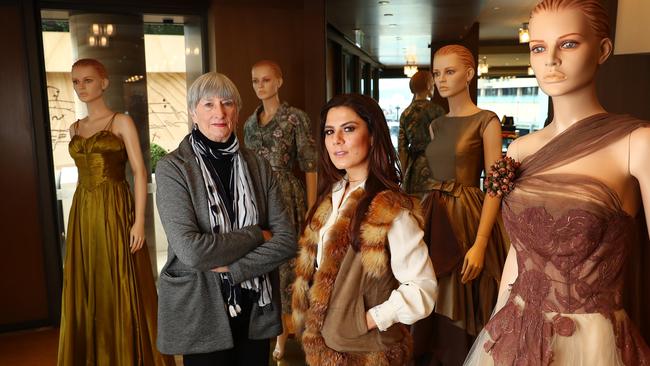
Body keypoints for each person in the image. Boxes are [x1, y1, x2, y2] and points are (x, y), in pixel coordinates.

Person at [464, 0, 650, 364]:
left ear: (603, 49)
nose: (550, 60)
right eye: (538, 48)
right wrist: (497, 323)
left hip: (591, 342)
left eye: (567, 44)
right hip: (515, 330)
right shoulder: (518, 149)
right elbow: (520, 255)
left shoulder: (636, 143)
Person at [155, 72, 296, 365]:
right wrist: (257, 234)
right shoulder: (173, 168)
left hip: (255, 306)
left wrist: (234, 269)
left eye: (227, 103)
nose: (219, 112)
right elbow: (192, 251)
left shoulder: (258, 165)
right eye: (208, 104)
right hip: (200, 307)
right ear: (193, 112)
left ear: (237, 110)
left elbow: (286, 241)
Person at [292, 93, 438, 365]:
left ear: (372, 135)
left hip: (368, 354)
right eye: (329, 131)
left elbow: (422, 290)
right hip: (324, 350)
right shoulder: (330, 197)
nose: (336, 140)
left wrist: (365, 320)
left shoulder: (389, 208)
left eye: (348, 129)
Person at [58, 58, 174, 366]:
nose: (81, 87)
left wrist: (139, 222)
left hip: (115, 208)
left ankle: (126, 353)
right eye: (75, 82)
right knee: (87, 281)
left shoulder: (121, 122)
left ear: (104, 83)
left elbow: (139, 171)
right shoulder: (74, 127)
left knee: (121, 279)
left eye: (88, 80)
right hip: (83, 210)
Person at [410, 45, 510, 366]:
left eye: (449, 72)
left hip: (469, 216)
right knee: (431, 297)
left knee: (463, 297)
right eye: (437, 73)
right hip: (434, 213)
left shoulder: (486, 121)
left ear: (469, 74)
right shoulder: (435, 125)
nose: (441, 79)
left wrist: (481, 243)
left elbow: (494, 186)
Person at [243, 59, 318, 360]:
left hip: (288, 196)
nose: (260, 86)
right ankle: (273, 331)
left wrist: (313, 208)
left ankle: (293, 335)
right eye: (255, 81)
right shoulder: (249, 123)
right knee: (266, 265)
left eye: (265, 80)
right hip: (257, 199)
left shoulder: (295, 118)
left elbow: (310, 164)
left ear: (279, 81)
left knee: (292, 266)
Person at [398, 70, 446, 198]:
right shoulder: (437, 111)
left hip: (413, 170)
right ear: (429, 86)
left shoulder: (405, 114)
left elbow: (402, 149)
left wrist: (405, 173)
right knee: (434, 208)